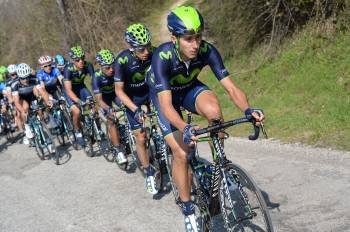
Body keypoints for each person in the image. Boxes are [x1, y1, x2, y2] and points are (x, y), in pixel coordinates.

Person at [147, 6, 265, 231]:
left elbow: (231, 88)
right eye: (188, 39)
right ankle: (188, 210)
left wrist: (248, 110)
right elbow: (166, 105)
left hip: (189, 88)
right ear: (174, 38)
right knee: (181, 152)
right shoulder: (162, 56)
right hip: (165, 98)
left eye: (198, 37)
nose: (195, 44)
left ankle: (220, 166)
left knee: (215, 114)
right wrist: (185, 127)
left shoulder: (207, 51)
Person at [114, 23, 157, 194]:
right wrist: (135, 109)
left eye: (148, 46)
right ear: (131, 48)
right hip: (131, 98)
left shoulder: (154, 53)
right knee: (140, 136)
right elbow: (118, 91)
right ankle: (148, 173)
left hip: (149, 93)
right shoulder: (122, 60)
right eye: (141, 49)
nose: (146, 51)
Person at [93, 49, 127, 164]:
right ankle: (118, 150)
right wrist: (108, 109)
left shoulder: (117, 71)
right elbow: (99, 100)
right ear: (101, 67)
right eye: (107, 67)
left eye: (112, 66)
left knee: (127, 108)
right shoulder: (96, 77)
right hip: (104, 99)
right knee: (111, 119)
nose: (111, 70)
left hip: (116, 94)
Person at [63, 45, 95, 148]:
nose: (81, 61)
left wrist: (97, 95)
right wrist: (78, 100)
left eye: (82, 58)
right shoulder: (68, 69)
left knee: (92, 104)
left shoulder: (88, 65)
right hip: (70, 91)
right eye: (77, 60)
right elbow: (68, 89)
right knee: (77, 111)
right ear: (73, 60)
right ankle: (77, 132)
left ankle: (96, 128)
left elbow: (94, 82)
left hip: (81, 88)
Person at [12, 63, 52, 145]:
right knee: (25, 108)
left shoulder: (34, 79)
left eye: (27, 77)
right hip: (21, 98)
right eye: (23, 78)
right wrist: (22, 111)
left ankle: (43, 129)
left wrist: (48, 101)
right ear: (19, 77)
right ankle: (27, 128)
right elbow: (16, 101)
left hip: (31, 96)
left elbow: (43, 92)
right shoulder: (15, 85)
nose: (25, 80)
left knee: (39, 110)